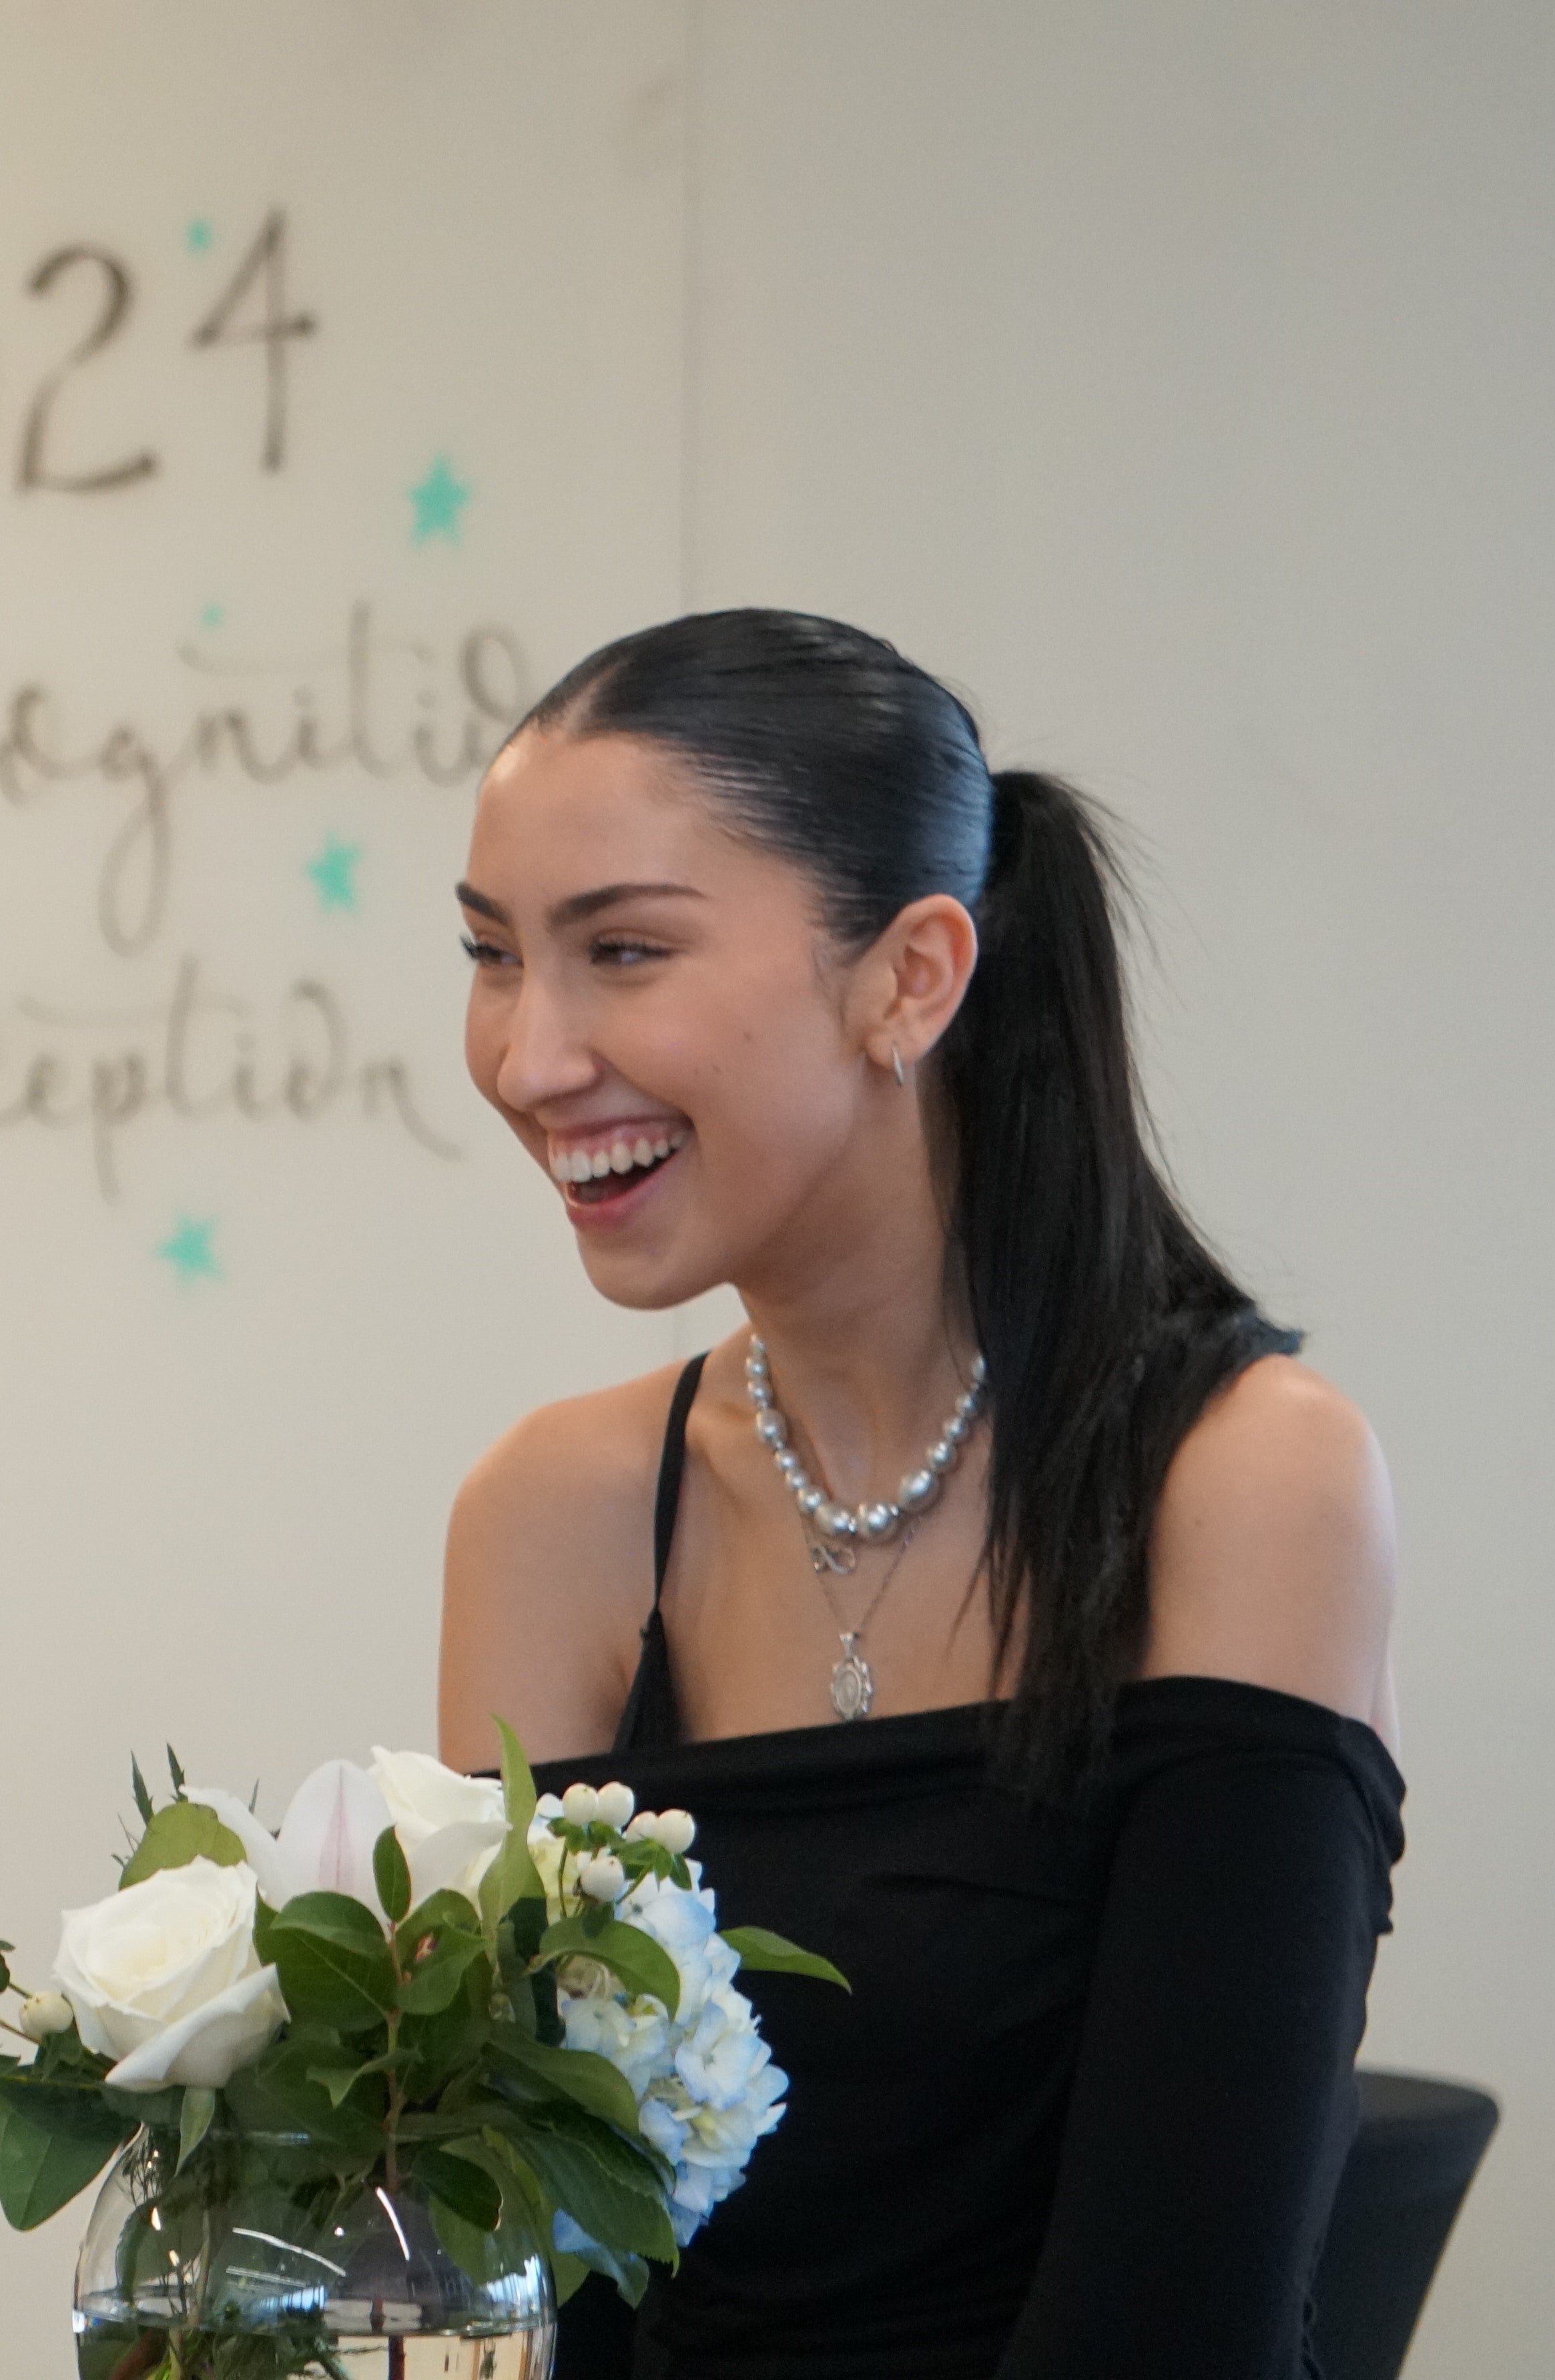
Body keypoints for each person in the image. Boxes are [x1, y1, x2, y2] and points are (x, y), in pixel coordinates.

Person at [435, 612, 1400, 2377]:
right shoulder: (549, 1513)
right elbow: (517, 2288)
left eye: (622, 949)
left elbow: (1171, 2327)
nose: (527, 1055)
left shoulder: (1246, 1473)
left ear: (911, 975)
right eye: (494, 957)